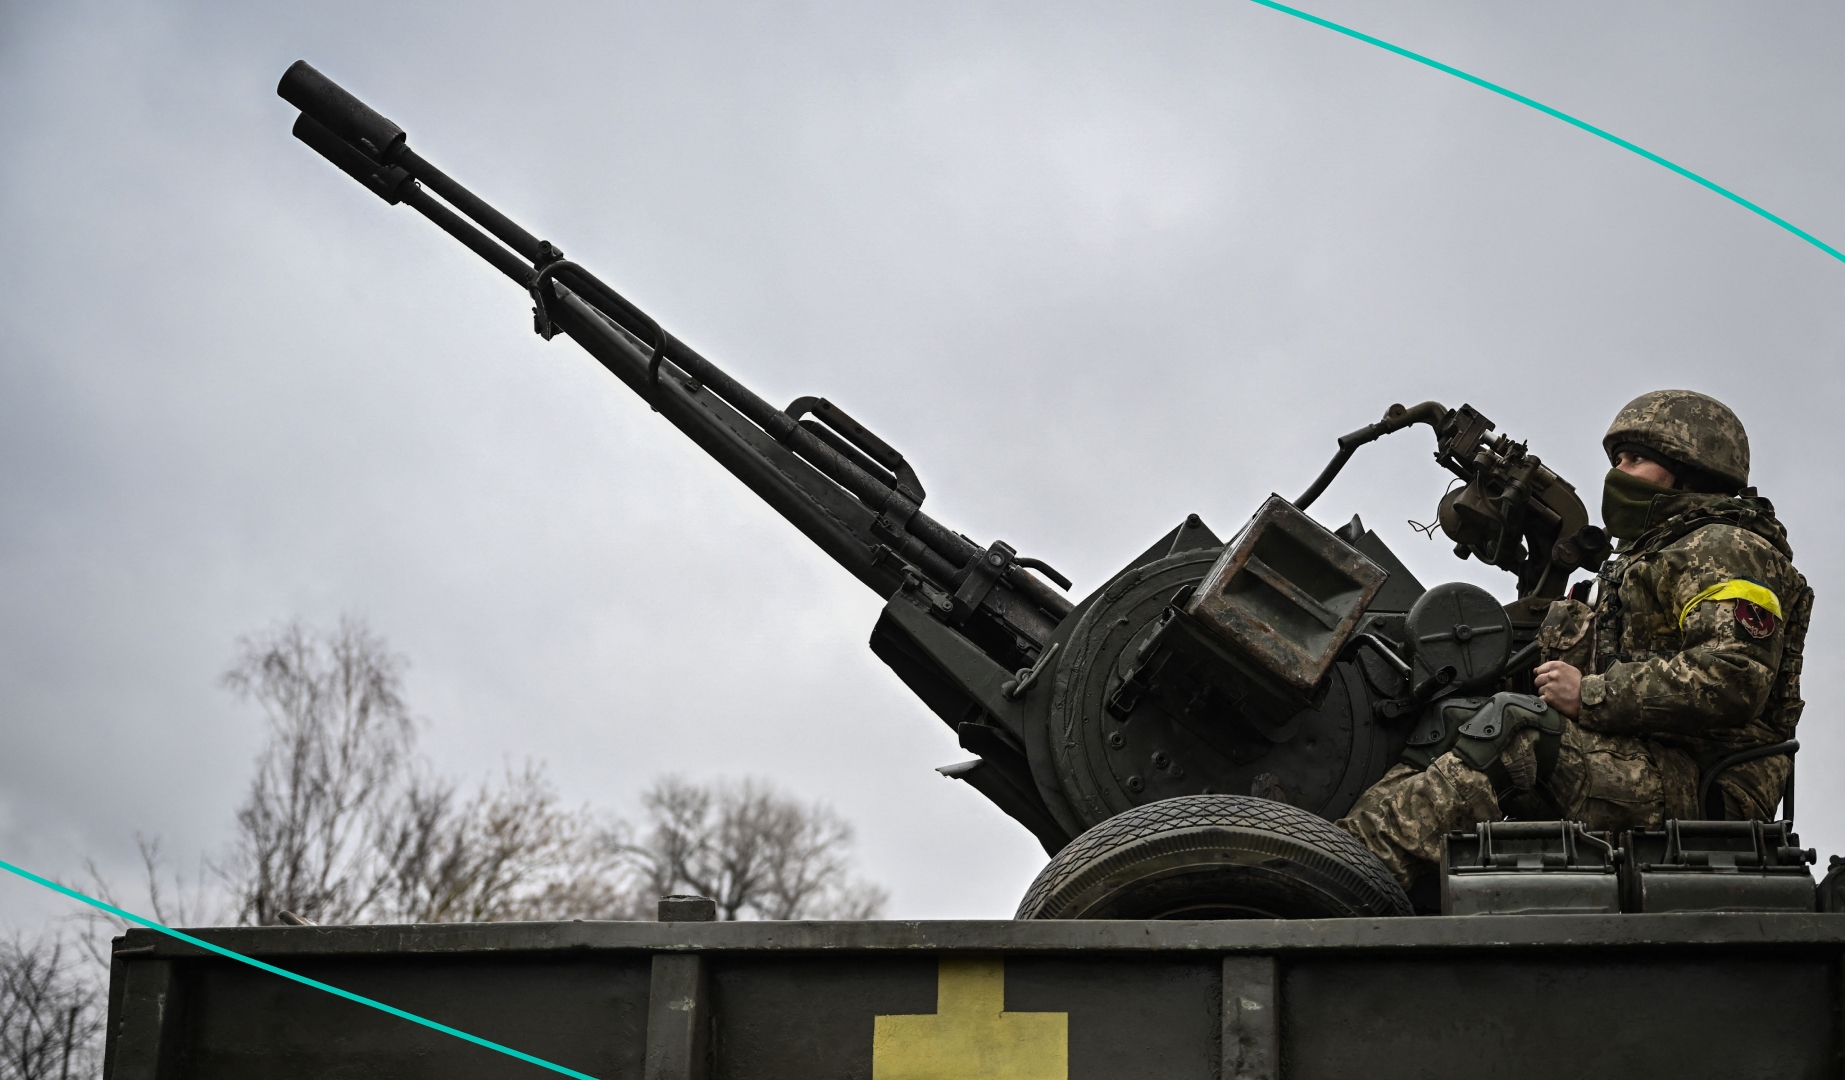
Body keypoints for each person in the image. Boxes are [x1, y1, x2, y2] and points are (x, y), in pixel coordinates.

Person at [1336, 390, 1812, 889]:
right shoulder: (1643, 560)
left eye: (1636, 459)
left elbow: (1732, 677)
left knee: (1514, 729)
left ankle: (1347, 877)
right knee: (1452, 718)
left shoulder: (1728, 548)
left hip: (1701, 784)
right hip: (1642, 759)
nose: (1617, 472)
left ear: (1688, 470)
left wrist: (1589, 694)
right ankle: (1340, 848)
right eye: (1617, 458)